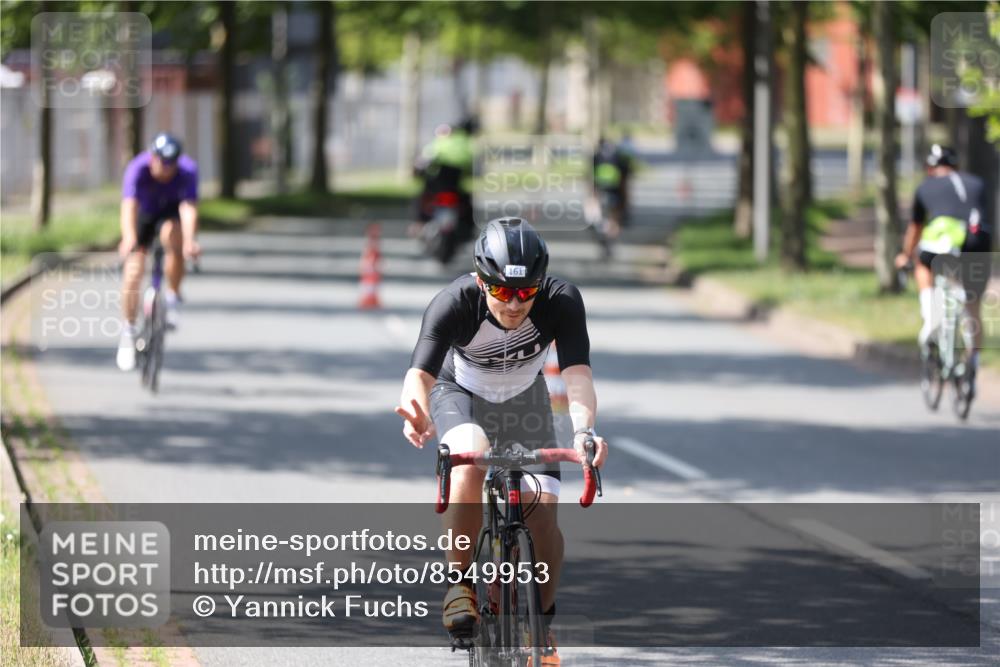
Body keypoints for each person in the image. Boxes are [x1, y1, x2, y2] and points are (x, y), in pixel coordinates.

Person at [395, 218, 609, 665]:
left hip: (524, 400)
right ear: (480, 280)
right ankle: (460, 584)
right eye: (502, 292)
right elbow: (419, 375)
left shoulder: (562, 300)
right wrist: (414, 407)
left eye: (526, 292)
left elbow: (578, 376)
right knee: (469, 454)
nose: (514, 304)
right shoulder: (455, 302)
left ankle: (542, 625)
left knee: (544, 517)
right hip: (462, 394)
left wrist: (584, 432)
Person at [895, 144, 993, 394]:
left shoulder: (924, 187)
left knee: (922, 262)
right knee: (973, 306)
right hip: (977, 239)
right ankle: (972, 366)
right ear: (957, 165)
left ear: (930, 168)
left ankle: (931, 316)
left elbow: (915, 229)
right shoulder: (977, 183)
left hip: (943, 241)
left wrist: (905, 254)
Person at [116, 132, 201, 371]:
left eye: (169, 165)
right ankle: (127, 333)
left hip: (171, 214)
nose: (164, 169)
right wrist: (129, 238)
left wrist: (190, 241)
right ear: (151, 156)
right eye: (160, 162)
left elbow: (188, 208)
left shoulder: (188, 171)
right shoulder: (137, 168)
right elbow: (129, 206)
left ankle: (173, 298)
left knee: (174, 237)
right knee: (133, 270)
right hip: (145, 214)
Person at [414, 117, 478, 239]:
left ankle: (419, 223)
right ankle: (469, 231)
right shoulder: (467, 143)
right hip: (454, 184)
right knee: (466, 202)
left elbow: (425, 158)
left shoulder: (443, 139)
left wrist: (418, 170)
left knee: (423, 197)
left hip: (439, 182)